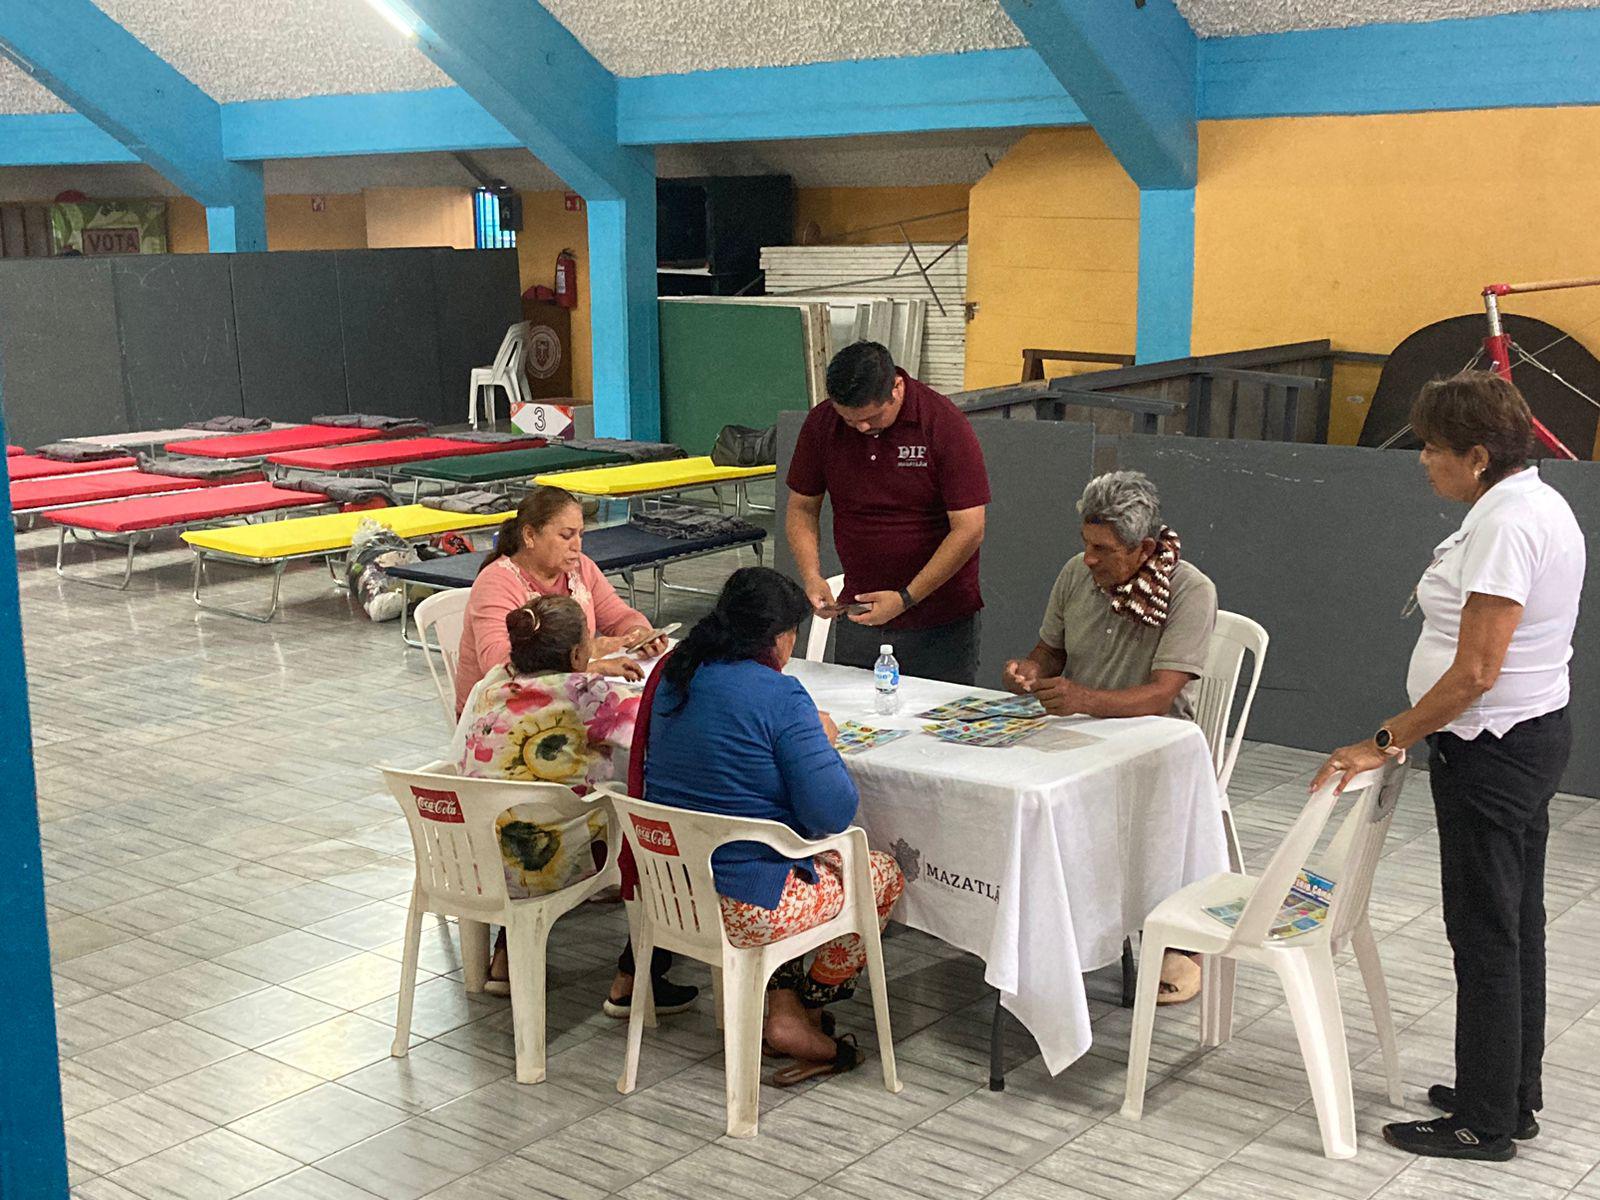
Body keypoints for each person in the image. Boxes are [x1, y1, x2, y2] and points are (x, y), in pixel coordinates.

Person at [1313, 372, 1583, 1162]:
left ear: (1478, 455)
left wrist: (1383, 739)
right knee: (1513, 921)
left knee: (1485, 931)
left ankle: (1484, 1123)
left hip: (1494, 750)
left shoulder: (1507, 526)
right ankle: (1507, 1093)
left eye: (1434, 448)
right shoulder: (1530, 504)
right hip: (1525, 737)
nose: (1424, 460)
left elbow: (1474, 674)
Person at [641, 567, 905, 1082]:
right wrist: (822, 741)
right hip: (743, 904)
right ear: (780, 636)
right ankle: (806, 1010)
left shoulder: (675, 677)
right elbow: (831, 813)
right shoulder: (780, 695)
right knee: (879, 874)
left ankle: (785, 1011)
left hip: (672, 891)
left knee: (780, 863)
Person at [1003, 469, 1217, 1003]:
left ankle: (1178, 942)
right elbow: (1049, 651)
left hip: (1155, 745)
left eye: (1103, 549)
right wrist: (1029, 670)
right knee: (1010, 792)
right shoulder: (1074, 573)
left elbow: (1162, 695)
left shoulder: (1190, 590)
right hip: (1075, 733)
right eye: (1085, 543)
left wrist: (1084, 699)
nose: (1089, 559)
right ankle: (1028, 923)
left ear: (1144, 549)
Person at [786, 341, 990, 684]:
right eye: (849, 419)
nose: (862, 429)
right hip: (860, 612)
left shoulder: (941, 422)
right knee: (853, 708)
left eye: (871, 418)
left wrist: (906, 598)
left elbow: (969, 528)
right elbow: (802, 507)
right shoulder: (822, 424)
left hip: (939, 622)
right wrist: (811, 575)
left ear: (896, 388)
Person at [455, 486, 664, 714]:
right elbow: (499, 665)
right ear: (530, 536)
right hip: (500, 711)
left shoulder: (580, 568)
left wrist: (640, 635)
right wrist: (590, 661)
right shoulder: (496, 583)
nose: (577, 546)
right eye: (566, 536)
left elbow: (619, 616)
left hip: (565, 699)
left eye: (580, 535)